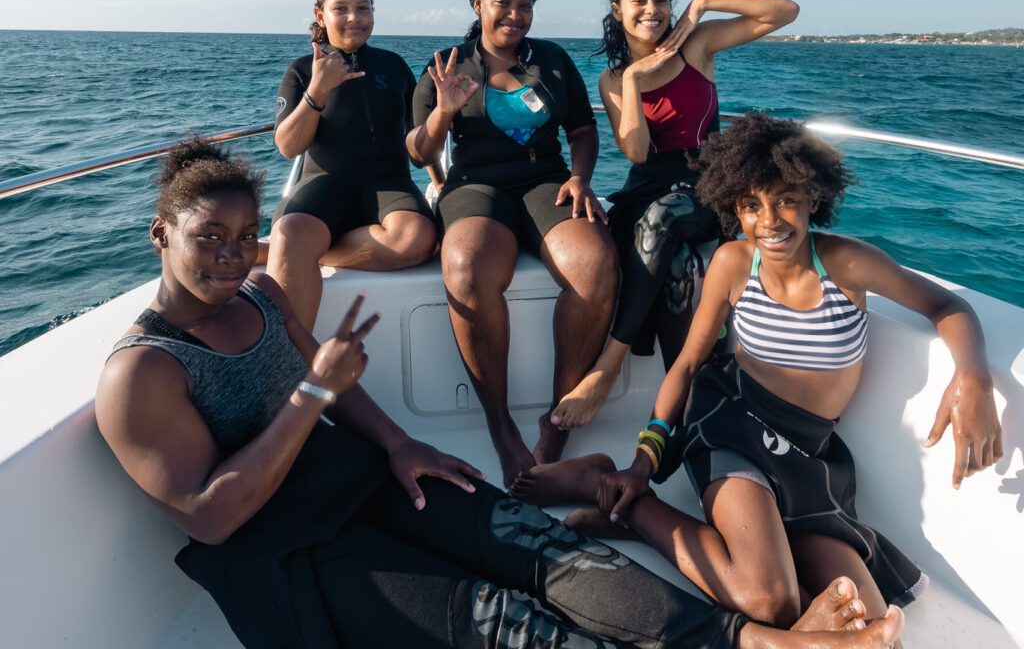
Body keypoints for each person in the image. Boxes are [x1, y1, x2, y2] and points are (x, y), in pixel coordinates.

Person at [94, 138, 907, 649]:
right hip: (285, 549)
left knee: (546, 548)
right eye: (210, 238)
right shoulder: (143, 372)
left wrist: (399, 444)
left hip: (355, 476)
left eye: (246, 236)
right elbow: (212, 513)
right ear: (159, 235)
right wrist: (312, 393)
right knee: (508, 621)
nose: (235, 256)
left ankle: (756, 644)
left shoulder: (264, 298)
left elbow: (338, 392)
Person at [513, 113, 1002, 639]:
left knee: (872, 618)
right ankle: (617, 494)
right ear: (734, 210)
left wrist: (972, 378)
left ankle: (734, 557)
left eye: (785, 199)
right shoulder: (732, 263)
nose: (770, 219)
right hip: (731, 429)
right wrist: (641, 463)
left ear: (814, 198)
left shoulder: (849, 265)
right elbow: (689, 364)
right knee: (769, 599)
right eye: (750, 205)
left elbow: (947, 305)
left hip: (809, 461)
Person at [551, 0, 799, 429]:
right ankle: (686, 410)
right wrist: (633, 80)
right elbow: (638, 152)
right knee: (678, 264)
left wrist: (704, 0)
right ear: (617, 9)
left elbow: (784, 11)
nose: (652, 10)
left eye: (662, 0)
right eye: (640, 0)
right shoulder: (611, 80)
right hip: (647, 188)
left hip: (712, 183)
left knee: (665, 221)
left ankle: (608, 367)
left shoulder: (698, 44)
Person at [407, 0, 620, 488]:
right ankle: (500, 426)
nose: (516, 14)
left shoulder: (549, 60)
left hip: (546, 182)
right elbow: (418, 151)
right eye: (504, 1)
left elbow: (583, 130)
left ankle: (557, 421)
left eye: (526, 4)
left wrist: (581, 177)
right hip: (475, 184)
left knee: (595, 263)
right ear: (477, 2)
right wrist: (445, 111)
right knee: (467, 266)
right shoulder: (446, 64)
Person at [266, 0, 436, 329]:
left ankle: (292, 252)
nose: (354, 18)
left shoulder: (393, 66)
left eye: (363, 8)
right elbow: (287, 146)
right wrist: (317, 91)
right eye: (340, 8)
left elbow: (416, 134)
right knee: (290, 233)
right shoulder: (301, 70)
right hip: (325, 183)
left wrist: (440, 179)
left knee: (417, 239)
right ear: (320, 16)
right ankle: (291, 366)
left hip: (389, 183)